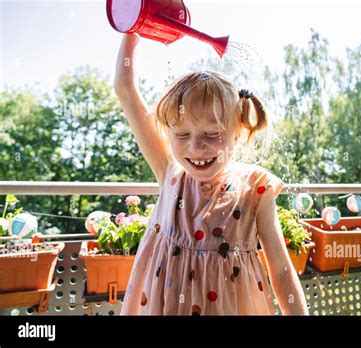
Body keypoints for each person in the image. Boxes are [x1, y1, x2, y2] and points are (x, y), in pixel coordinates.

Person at [115, 33, 308, 315]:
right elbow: (124, 88)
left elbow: (280, 271)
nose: (196, 147)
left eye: (212, 133)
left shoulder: (256, 189)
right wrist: (132, 30)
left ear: (238, 133)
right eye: (182, 134)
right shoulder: (170, 172)